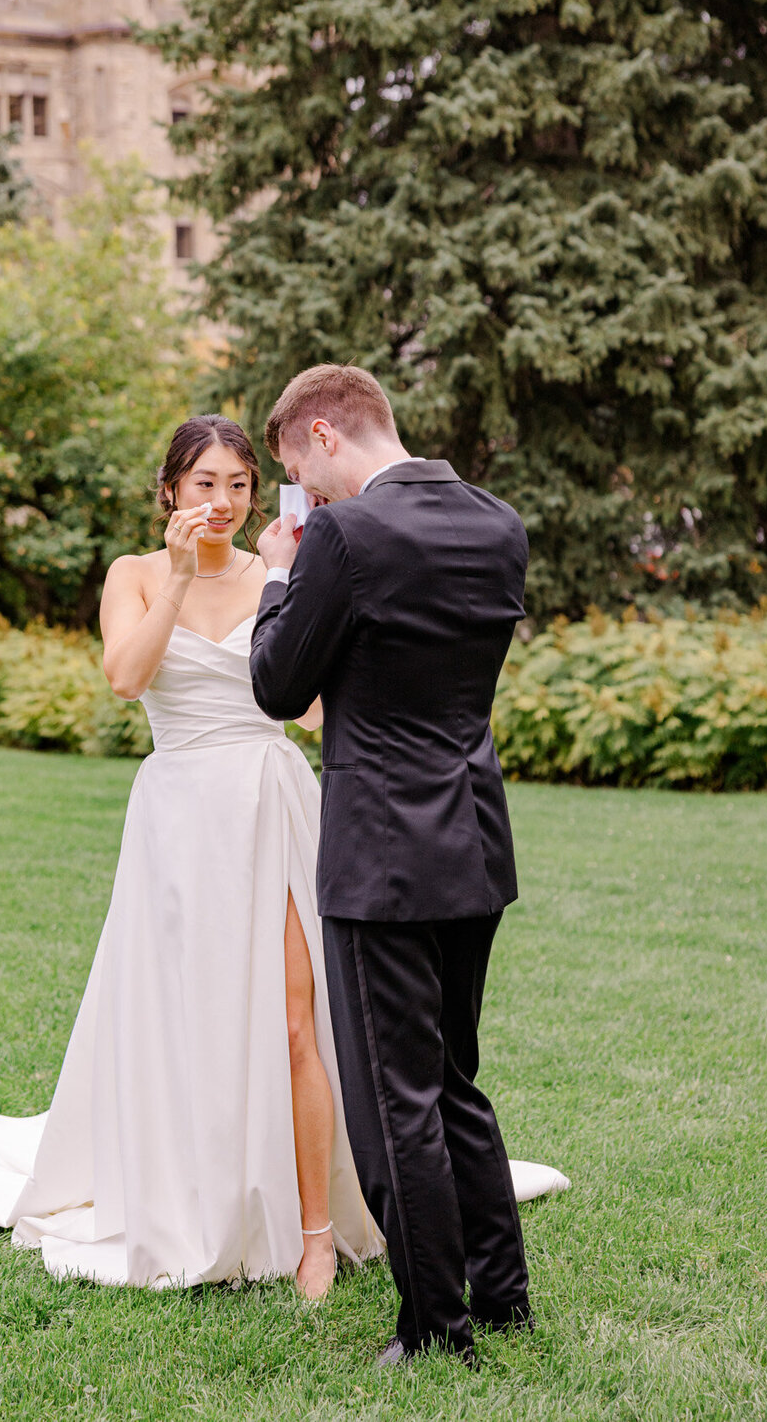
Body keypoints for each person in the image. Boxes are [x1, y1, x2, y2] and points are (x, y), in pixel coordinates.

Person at [0, 415, 385, 1294]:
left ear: (258, 497)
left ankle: (315, 1230)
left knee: (295, 1022)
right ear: (170, 491)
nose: (222, 501)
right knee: (189, 1018)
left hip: (271, 800)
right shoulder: (132, 575)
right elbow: (127, 677)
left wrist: (320, 605)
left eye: (239, 485)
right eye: (204, 483)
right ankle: (196, 1197)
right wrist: (176, 577)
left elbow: (312, 712)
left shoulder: (279, 574)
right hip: (178, 813)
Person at [249, 364, 565, 1367]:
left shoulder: (343, 537)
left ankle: (436, 1326)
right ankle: (502, 1293)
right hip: (471, 833)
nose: (308, 493)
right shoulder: (495, 522)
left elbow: (275, 682)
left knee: (398, 1099)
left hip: (382, 847)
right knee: (453, 1077)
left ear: (326, 433)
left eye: (300, 468)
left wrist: (276, 576)